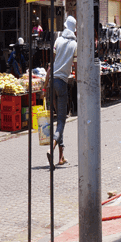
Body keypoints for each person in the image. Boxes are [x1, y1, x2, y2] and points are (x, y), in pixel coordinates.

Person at [50, 16, 77, 166]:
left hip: (52, 83)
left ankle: (61, 157)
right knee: (61, 121)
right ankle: (52, 148)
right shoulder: (74, 45)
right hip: (61, 83)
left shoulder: (57, 41)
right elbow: (76, 67)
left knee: (59, 120)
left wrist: (46, 84)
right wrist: (79, 81)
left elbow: (51, 64)